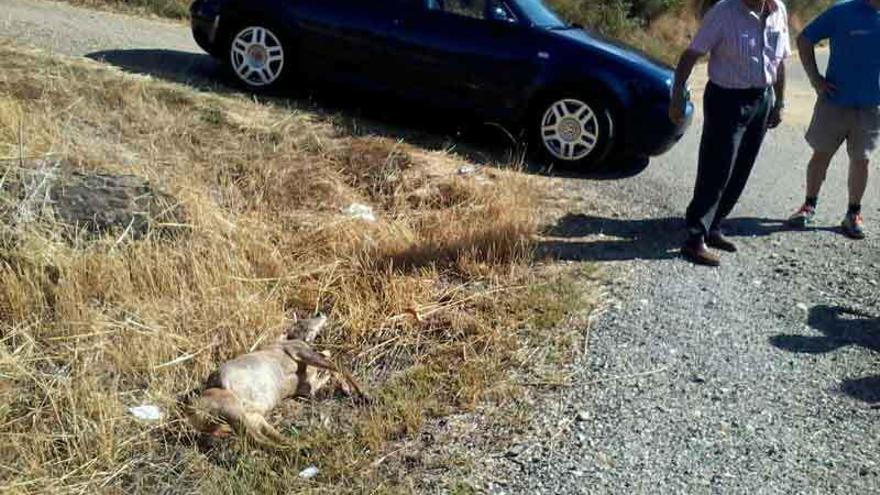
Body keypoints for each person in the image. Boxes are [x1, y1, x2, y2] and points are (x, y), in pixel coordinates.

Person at [670, 0, 790, 266]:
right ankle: (694, 237)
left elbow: (780, 60)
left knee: (741, 167)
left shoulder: (778, 9)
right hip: (726, 99)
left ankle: (714, 225)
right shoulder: (724, 11)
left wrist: (779, 102)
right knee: (717, 166)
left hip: (762, 98)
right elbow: (692, 54)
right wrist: (677, 94)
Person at [787, 0, 880, 240]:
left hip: (870, 106)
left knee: (862, 160)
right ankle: (808, 206)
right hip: (834, 101)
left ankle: (853, 214)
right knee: (821, 154)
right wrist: (815, 79)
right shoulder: (842, 11)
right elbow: (805, 39)